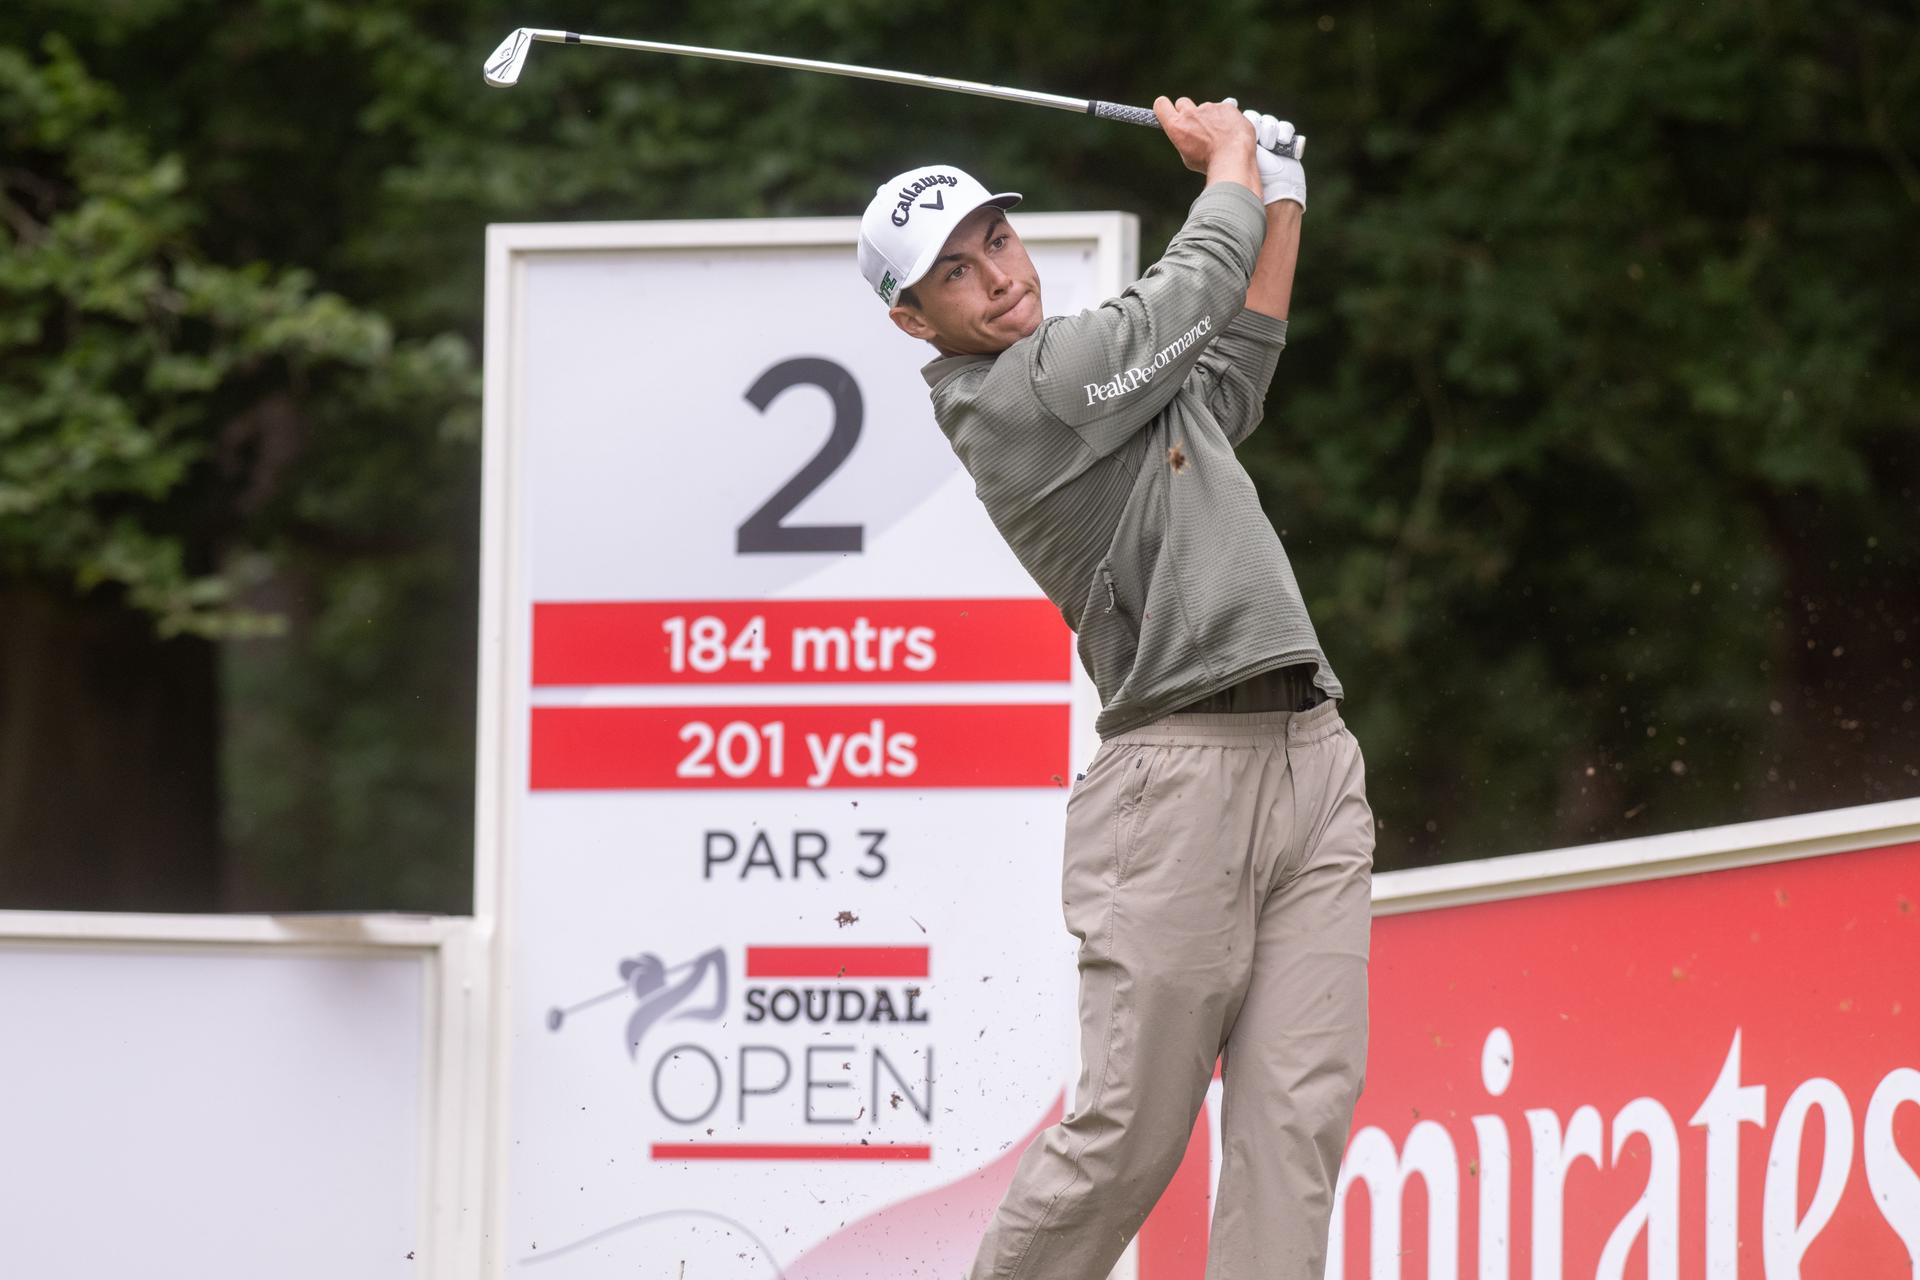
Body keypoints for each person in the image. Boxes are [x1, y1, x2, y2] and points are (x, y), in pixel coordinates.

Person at [856, 97, 1373, 1279]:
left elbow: (1231, 368)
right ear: (911, 316)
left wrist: (1278, 191)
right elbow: (1189, 294)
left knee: (1295, 1125)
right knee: (1130, 1137)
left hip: (1314, 756)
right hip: (1174, 785)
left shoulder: (1118, 392)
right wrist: (1232, 165)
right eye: (953, 271)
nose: (994, 276)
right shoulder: (1018, 397)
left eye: (997, 239)